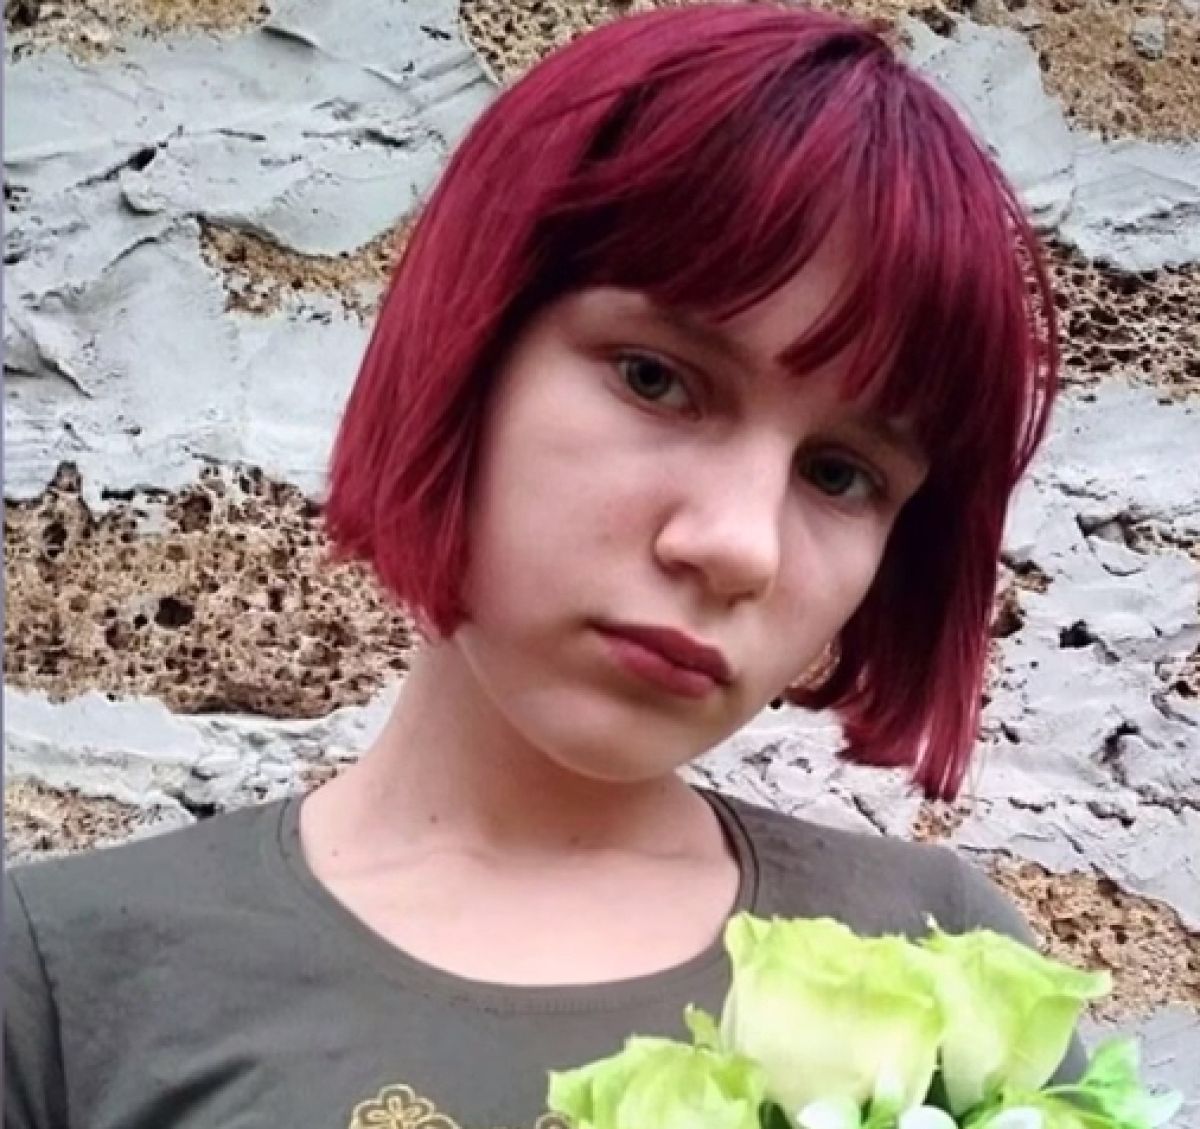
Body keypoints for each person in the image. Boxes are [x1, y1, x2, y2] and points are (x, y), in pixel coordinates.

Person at [4, 5, 1084, 1127]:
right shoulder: (61, 988)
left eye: (841, 474)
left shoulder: (948, 978)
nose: (737, 544)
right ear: (468, 346)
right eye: (656, 378)